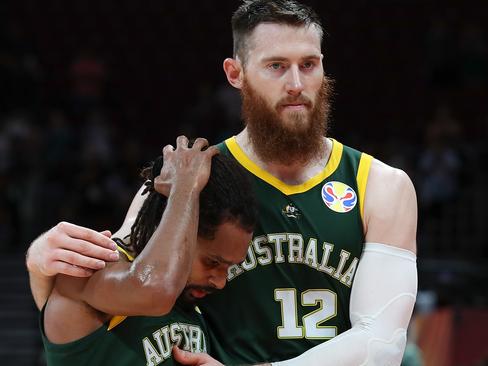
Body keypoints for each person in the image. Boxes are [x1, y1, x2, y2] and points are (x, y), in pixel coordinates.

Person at [26, 1, 418, 365]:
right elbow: (115, 291)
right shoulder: (187, 177)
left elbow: (382, 344)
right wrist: (41, 261)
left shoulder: (380, 185)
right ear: (236, 74)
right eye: (276, 66)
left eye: (309, 64)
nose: (296, 83)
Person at [39, 137, 257, 365]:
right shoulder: (87, 272)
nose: (220, 282)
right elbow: (156, 288)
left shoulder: (189, 299)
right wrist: (185, 188)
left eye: (229, 267)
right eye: (212, 262)